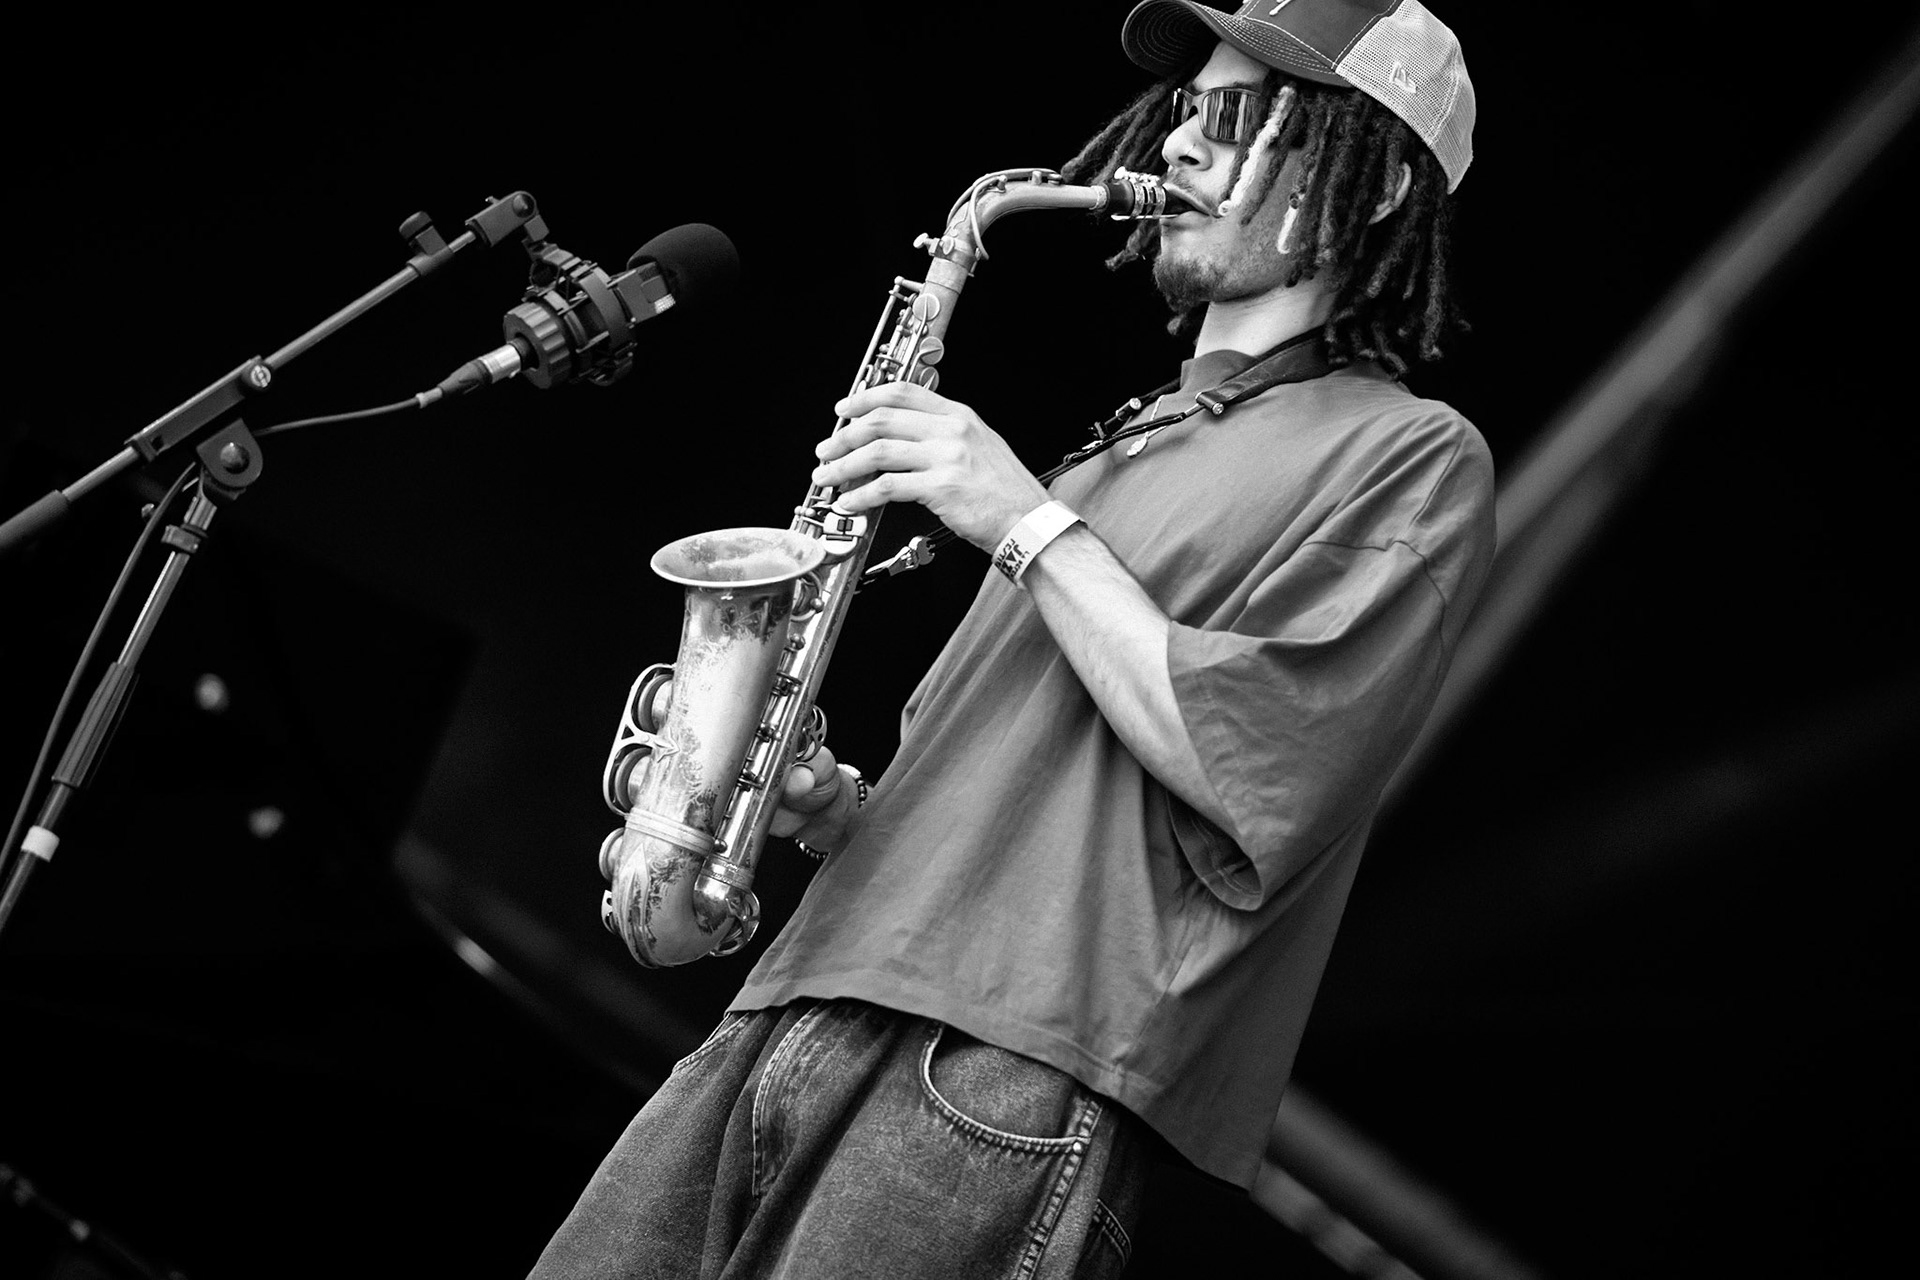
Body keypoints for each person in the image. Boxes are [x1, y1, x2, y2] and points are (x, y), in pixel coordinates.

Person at [530, 2, 1494, 1276]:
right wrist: (833, 808)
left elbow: (1259, 770)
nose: (1187, 150)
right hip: (789, 1003)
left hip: (997, 1071)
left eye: (1244, 119)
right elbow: (1042, 803)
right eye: (1188, 113)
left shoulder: (1410, 455)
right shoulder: (1132, 437)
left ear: (1366, 191)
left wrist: (1022, 518)